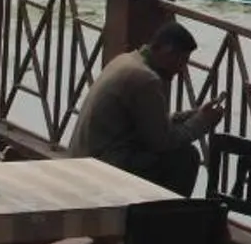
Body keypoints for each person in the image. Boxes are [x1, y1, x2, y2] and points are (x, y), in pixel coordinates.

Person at [69, 21, 225, 194]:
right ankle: (166, 217)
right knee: (185, 157)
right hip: (104, 164)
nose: (181, 70)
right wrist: (202, 123)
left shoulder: (126, 60)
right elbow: (162, 142)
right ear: (168, 52)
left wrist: (193, 115)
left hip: (84, 157)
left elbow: (150, 123)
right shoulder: (145, 79)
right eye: (182, 61)